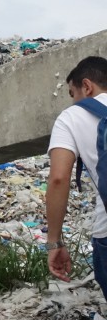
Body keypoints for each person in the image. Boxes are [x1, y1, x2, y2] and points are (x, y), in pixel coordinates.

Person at [45, 55, 107, 299]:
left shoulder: (71, 117)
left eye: (73, 94)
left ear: (87, 86)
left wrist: (54, 242)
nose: (74, 101)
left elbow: (59, 179)